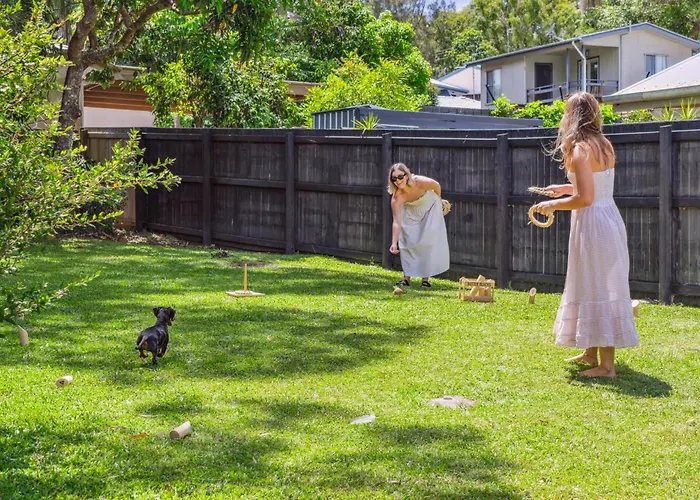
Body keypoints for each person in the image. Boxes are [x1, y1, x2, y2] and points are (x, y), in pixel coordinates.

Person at [532, 92, 638, 378]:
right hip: (608, 218)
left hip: (593, 222)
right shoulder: (603, 144)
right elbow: (595, 187)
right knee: (592, 282)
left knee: (599, 286)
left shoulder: (580, 149)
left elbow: (586, 198)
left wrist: (552, 205)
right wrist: (563, 189)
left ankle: (607, 366)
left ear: (573, 116)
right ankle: (591, 352)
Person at [388, 163, 450, 288]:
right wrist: (394, 243)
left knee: (427, 242)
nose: (398, 181)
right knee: (406, 240)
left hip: (430, 207)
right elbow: (397, 221)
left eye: (400, 177)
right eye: (394, 178)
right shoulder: (397, 197)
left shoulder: (419, 182)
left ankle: (425, 280)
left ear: (407, 175)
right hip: (412, 211)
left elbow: (436, 185)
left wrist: (439, 201)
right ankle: (406, 279)